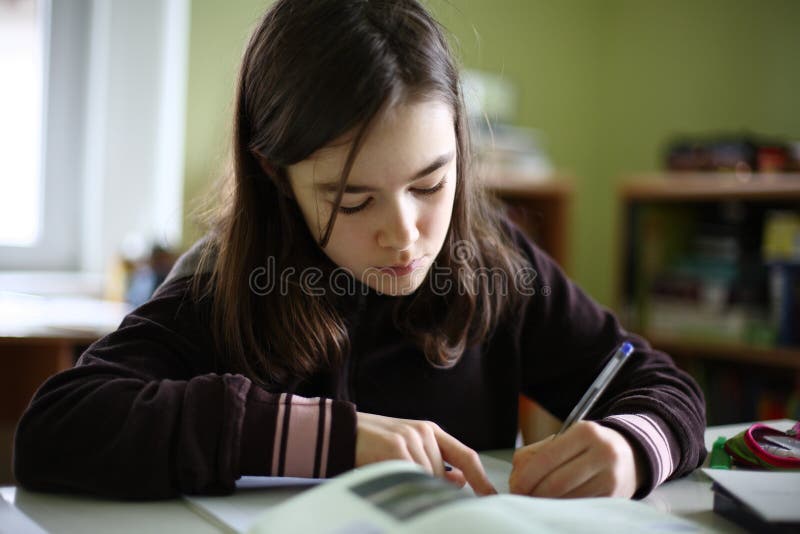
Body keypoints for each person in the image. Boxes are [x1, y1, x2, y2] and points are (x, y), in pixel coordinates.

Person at [13, 0, 706, 500]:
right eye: (352, 201)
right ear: (275, 176)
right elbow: (57, 429)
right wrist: (329, 439)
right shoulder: (229, 283)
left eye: (430, 183)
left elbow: (665, 388)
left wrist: (630, 447)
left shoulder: (497, 267)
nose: (403, 235)